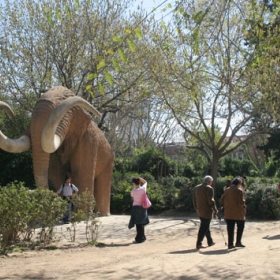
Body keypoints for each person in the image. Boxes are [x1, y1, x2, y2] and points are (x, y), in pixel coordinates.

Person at [220, 176, 246, 250]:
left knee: (230, 229)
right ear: (239, 184)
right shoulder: (239, 191)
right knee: (240, 227)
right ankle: (238, 242)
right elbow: (241, 203)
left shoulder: (227, 190)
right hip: (238, 213)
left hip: (228, 213)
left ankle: (230, 244)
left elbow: (221, 201)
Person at [193, 175, 218, 249]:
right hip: (207, 211)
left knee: (206, 226)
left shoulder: (196, 188)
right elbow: (211, 201)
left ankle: (210, 241)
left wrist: (196, 208)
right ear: (209, 181)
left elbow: (194, 199)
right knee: (204, 227)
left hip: (199, 210)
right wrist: (215, 210)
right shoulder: (209, 188)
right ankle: (199, 243)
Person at [128, 177, 150, 243]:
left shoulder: (133, 191)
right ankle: (142, 237)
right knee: (142, 223)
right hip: (143, 207)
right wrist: (141, 179)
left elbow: (131, 196)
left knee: (138, 223)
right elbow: (146, 182)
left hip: (135, 207)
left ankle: (139, 238)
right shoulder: (143, 189)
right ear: (139, 182)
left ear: (134, 183)